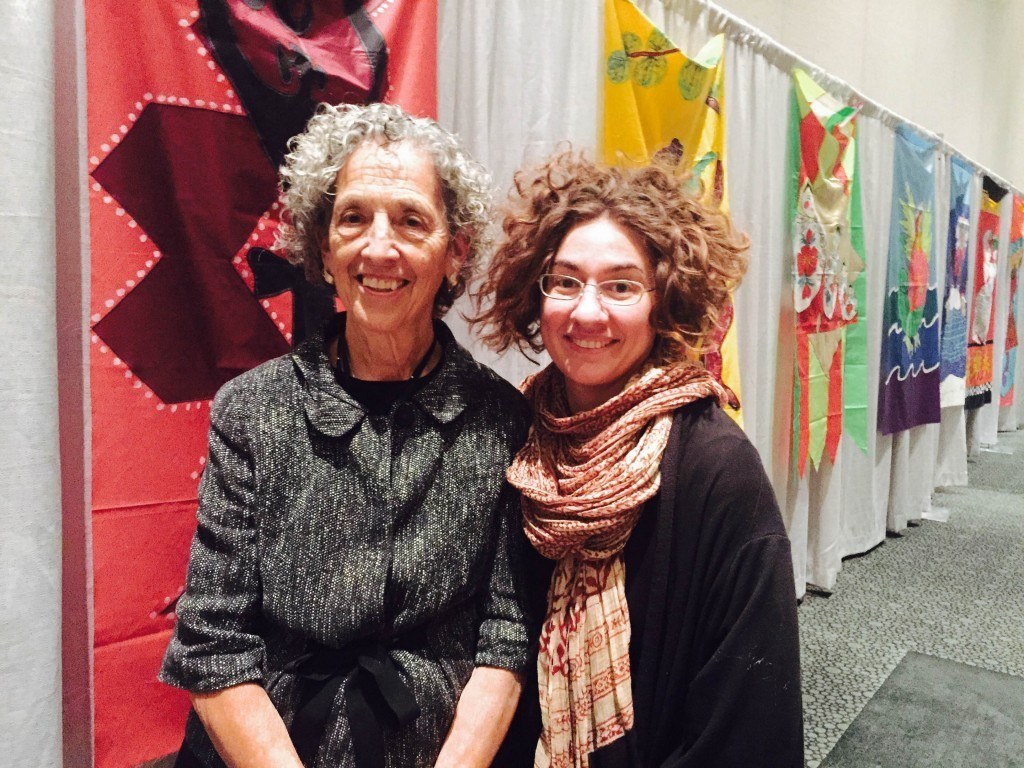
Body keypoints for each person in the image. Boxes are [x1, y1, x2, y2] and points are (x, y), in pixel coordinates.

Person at [161, 102, 533, 768]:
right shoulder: (251, 410)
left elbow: (505, 639)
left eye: (412, 220)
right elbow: (212, 644)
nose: (379, 246)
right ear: (323, 247)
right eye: (354, 217)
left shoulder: (501, 418)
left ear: (456, 251)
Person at [476, 151, 804, 767]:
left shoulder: (715, 466)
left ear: (665, 300)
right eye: (566, 281)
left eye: (621, 286)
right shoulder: (518, 436)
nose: (587, 312)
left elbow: (748, 713)